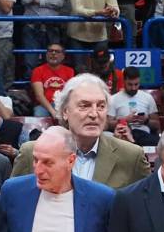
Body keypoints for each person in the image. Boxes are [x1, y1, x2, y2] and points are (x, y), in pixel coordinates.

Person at [12, 74, 150, 190]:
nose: (94, 114)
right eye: (84, 106)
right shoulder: (31, 153)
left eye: (101, 106)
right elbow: (14, 206)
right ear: (65, 111)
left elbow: (146, 210)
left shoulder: (132, 157)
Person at [68, 0, 119, 72]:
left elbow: (115, 7)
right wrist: (98, 12)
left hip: (100, 35)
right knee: (80, 70)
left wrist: (113, 12)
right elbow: (77, 9)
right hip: (77, 35)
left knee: (102, 70)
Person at [107, 67, 160, 147]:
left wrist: (146, 121)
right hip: (123, 135)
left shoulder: (147, 97)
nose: (133, 88)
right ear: (124, 81)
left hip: (144, 135)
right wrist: (125, 120)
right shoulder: (113, 99)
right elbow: (108, 124)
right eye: (130, 84)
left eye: (136, 84)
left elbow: (156, 124)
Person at [21, 0, 65, 73]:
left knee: (53, 63)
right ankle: (31, 86)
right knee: (30, 64)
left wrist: (38, 1)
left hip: (52, 27)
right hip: (32, 27)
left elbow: (60, 2)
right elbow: (25, 0)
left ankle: (51, 85)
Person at [30, 44, 75, 119]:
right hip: (43, 105)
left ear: (63, 56)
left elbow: (70, 93)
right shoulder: (38, 70)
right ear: (46, 54)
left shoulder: (69, 71)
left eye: (57, 51)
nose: (53, 53)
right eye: (50, 51)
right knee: (39, 114)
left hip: (62, 104)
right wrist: (52, 111)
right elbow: (39, 96)